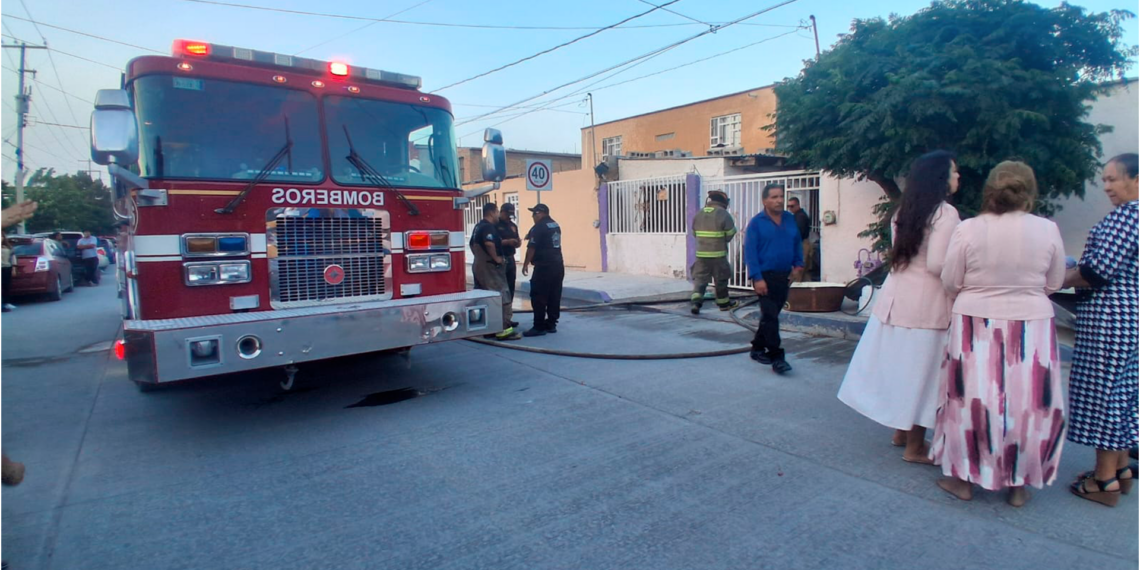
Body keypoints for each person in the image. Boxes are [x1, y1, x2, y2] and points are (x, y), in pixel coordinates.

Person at [931, 160, 1067, 508]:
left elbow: (950, 279)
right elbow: (1054, 283)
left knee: (972, 401)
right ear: (1029, 191)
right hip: (1031, 327)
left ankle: (964, 480)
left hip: (975, 324)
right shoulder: (1048, 229)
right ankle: (1018, 485)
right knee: (1027, 404)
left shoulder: (969, 229)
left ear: (990, 190)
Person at [837, 150, 961, 463]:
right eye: (954, 172)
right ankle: (915, 446)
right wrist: (960, 283)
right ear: (940, 178)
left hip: (895, 300)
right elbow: (937, 264)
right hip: (927, 306)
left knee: (904, 369)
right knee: (924, 374)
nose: (958, 177)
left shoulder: (902, 210)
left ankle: (900, 432)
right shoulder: (945, 214)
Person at [1063, 153, 1139, 507]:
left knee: (1106, 395)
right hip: (1128, 318)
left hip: (1110, 319)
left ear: (1136, 180)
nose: (1106, 186)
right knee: (1123, 394)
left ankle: (1104, 480)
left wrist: (1054, 281)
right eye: (1104, 179)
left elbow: (1096, 272)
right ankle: (1121, 470)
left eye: (1113, 179)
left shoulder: (1129, 216)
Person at [743, 183, 803, 375]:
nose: (778, 200)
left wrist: (798, 264)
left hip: (783, 277)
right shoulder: (756, 223)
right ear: (764, 200)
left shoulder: (789, 219)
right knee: (770, 316)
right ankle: (777, 357)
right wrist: (757, 278)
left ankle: (757, 348)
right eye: (774, 197)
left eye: (780, 197)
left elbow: (797, 243)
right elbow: (750, 253)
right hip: (764, 277)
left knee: (771, 316)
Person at [469, 203, 521, 341]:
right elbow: (489, 243)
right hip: (490, 268)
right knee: (501, 296)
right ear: (492, 212)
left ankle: (488, 328)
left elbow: (473, 245)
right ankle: (503, 329)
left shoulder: (478, 226)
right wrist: (497, 259)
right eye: (497, 211)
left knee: (484, 297)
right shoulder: (488, 227)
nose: (498, 214)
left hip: (480, 265)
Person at [690, 190, 739, 314]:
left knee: (700, 280)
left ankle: (696, 303)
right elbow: (730, 234)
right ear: (724, 202)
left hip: (701, 255)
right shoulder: (724, 214)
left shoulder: (698, 214)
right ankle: (724, 304)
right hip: (718, 255)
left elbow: (694, 233)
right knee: (721, 280)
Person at [522, 203, 564, 337]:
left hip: (544, 266)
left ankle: (539, 326)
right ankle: (551, 324)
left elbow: (532, 248)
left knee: (538, 296)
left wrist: (525, 264)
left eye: (534, 213)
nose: (532, 216)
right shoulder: (555, 224)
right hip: (557, 265)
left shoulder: (538, 227)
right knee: (554, 295)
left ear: (540, 213)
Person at [495, 202, 523, 322]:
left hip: (510, 258)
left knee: (510, 288)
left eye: (511, 215)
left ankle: (508, 318)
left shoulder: (512, 226)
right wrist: (507, 242)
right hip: (500, 259)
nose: (509, 218)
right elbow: (492, 243)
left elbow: (517, 239)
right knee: (500, 288)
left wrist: (517, 242)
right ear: (502, 212)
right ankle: (499, 318)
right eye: (507, 215)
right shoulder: (494, 225)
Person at [787, 197, 813, 282]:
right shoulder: (797, 216)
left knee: (798, 270)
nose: (790, 208)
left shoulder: (800, 216)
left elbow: (798, 232)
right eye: (788, 206)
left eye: (792, 206)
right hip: (802, 244)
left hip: (801, 244)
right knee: (804, 271)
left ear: (798, 205)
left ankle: (795, 291)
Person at [2, 233, 16, 312]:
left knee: (6, 286)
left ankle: (6, 302)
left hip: (6, 267)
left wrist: (14, 268)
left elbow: (13, 257)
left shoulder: (8, 247)